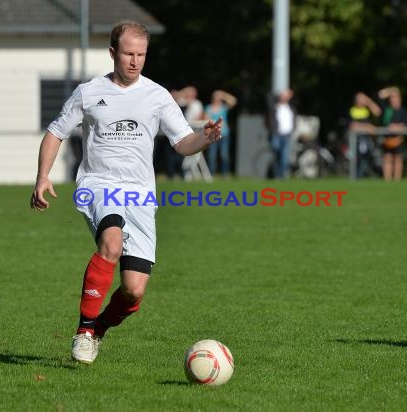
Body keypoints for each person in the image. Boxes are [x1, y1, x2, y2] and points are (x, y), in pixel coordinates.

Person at [29, 21, 222, 364]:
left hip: (141, 196)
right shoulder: (89, 92)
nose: (135, 61)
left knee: (133, 292)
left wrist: (204, 139)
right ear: (113, 53)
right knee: (112, 243)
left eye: (141, 55)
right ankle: (84, 331)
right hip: (98, 186)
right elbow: (56, 132)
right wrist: (43, 177)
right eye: (129, 54)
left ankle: (98, 329)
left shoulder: (157, 96)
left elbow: (182, 143)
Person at [378, 86, 407, 181]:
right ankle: (387, 180)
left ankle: (397, 180)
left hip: (398, 139)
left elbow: (406, 124)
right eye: (392, 97)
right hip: (387, 139)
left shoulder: (403, 111)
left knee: (398, 158)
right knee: (387, 158)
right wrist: (392, 90)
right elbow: (380, 94)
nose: (393, 99)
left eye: (395, 97)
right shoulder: (387, 110)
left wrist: (398, 127)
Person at [348, 92, 382, 178]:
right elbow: (353, 126)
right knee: (357, 160)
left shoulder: (367, 110)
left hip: (367, 141)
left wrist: (369, 101)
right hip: (356, 142)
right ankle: (356, 177)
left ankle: (363, 176)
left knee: (367, 159)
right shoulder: (352, 110)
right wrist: (367, 127)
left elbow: (378, 112)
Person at [204, 90, 237, 177]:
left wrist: (223, 95)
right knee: (212, 155)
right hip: (213, 134)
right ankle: (211, 174)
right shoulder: (208, 108)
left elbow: (233, 101)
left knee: (224, 155)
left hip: (224, 134)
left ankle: (225, 174)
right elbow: (205, 120)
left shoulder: (223, 108)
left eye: (219, 99)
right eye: (216, 98)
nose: (218, 100)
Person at [266, 89, 297, 179]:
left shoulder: (290, 107)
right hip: (276, 134)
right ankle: (275, 174)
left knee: (284, 156)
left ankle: (281, 175)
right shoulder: (274, 106)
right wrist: (280, 94)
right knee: (276, 155)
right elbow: (268, 97)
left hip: (287, 135)